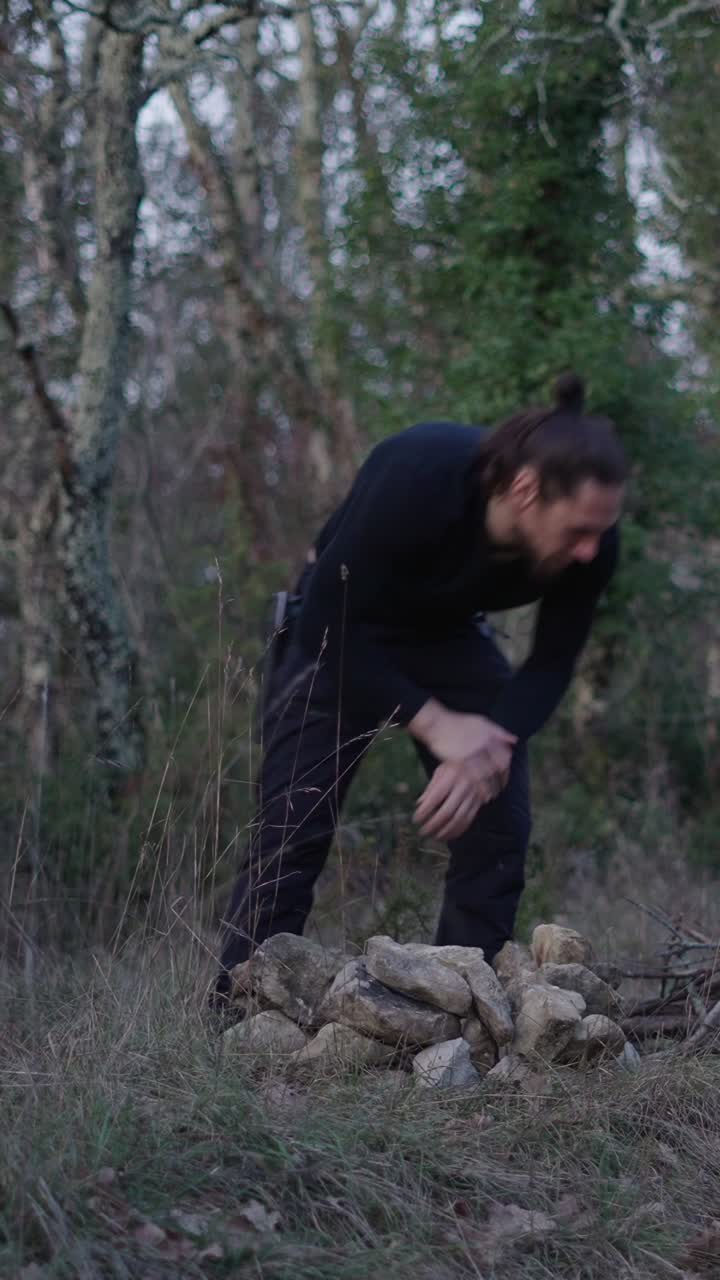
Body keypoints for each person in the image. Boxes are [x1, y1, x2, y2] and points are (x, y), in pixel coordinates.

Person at [211, 372, 625, 1006]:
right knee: (293, 829)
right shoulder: (421, 471)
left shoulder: (591, 540)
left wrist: (490, 744)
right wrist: (437, 723)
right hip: (339, 633)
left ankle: (460, 1007)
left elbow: (549, 665)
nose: (591, 551)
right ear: (525, 489)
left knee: (497, 824)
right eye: (577, 532)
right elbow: (326, 620)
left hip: (447, 636)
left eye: (599, 532)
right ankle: (239, 1011)